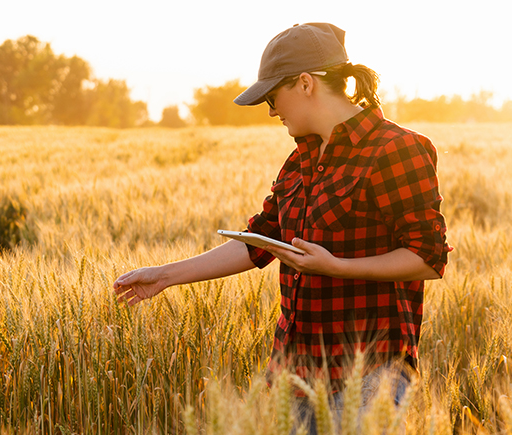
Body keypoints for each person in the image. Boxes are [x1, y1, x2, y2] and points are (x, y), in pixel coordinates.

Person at [114, 22, 451, 434]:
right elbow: (258, 242)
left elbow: (427, 257)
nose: (272, 111)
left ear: (306, 83)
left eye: (273, 97)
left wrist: (337, 267)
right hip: (295, 375)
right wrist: (165, 276)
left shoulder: (396, 149)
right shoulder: (299, 161)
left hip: (368, 376)